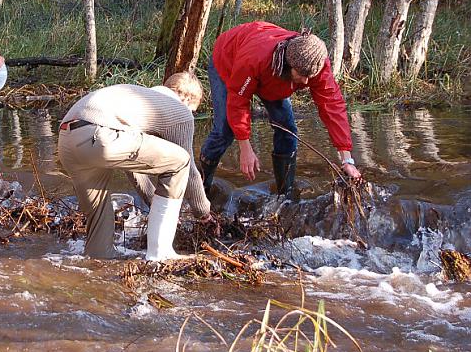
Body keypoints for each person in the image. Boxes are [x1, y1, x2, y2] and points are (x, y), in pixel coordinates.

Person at [199, 21, 362, 202]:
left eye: (310, 77)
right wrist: (245, 147)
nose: (306, 82)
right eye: (301, 75)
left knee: (287, 129)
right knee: (225, 131)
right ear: (288, 63)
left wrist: (347, 159)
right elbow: (238, 101)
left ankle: (285, 198)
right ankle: (201, 188)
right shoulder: (255, 58)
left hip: (273, 79)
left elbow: (332, 105)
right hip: (228, 59)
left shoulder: (316, 62)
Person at [57, 73, 211, 260]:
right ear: (186, 98)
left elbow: (133, 167)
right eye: (193, 110)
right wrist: (203, 212)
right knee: (181, 161)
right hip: (99, 135)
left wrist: (155, 203)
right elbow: (190, 172)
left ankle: (98, 258)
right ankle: (161, 255)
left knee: (98, 217)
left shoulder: (138, 101)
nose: (191, 115)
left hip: (66, 139)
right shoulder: (180, 111)